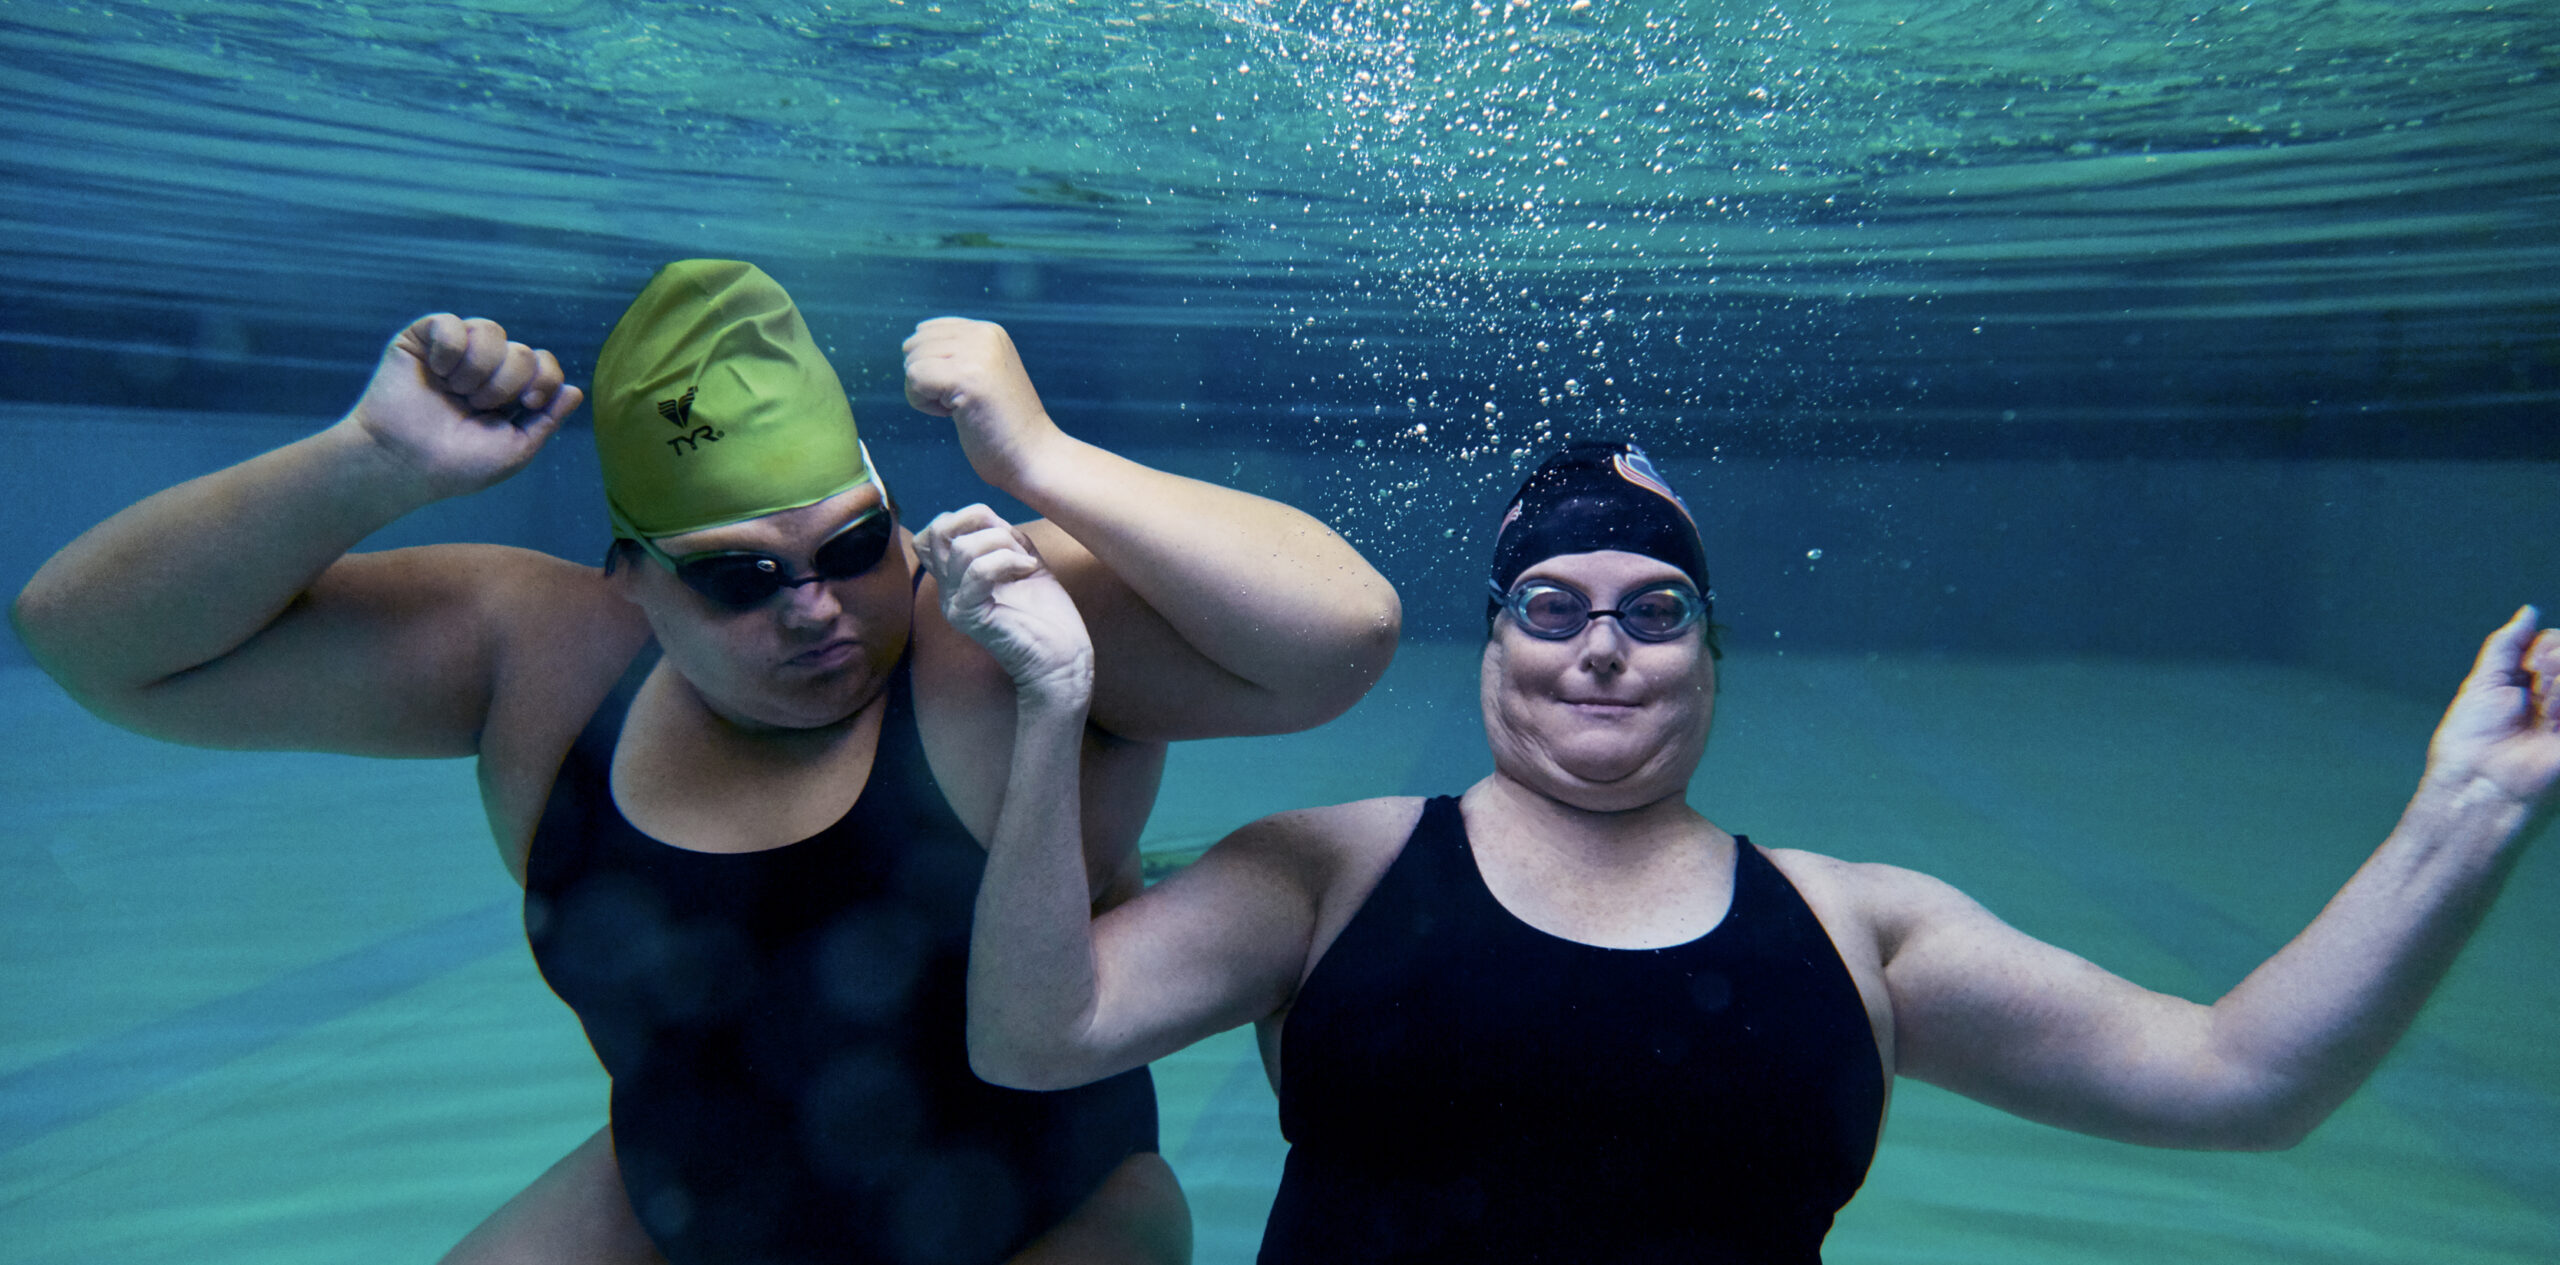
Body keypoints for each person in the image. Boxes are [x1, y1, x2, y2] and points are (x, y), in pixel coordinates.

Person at [9, 260, 1401, 1265]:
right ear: (631, 578)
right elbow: (98, 647)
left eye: (853, 545)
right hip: (682, 1199)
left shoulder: (990, 627)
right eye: (740, 577)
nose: (818, 609)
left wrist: (1041, 458)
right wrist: (365, 462)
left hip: (1055, 1214)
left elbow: (1338, 640)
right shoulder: (541, 655)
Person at [943, 439, 2559, 1263]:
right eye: (1551, 606)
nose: (1602, 645)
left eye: (1655, 611)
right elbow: (1035, 1029)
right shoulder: (1326, 871)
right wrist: (1053, 710)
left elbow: (2240, 1076)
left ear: (1712, 661)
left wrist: (2472, 805)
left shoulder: (1866, 928)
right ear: (1492, 648)